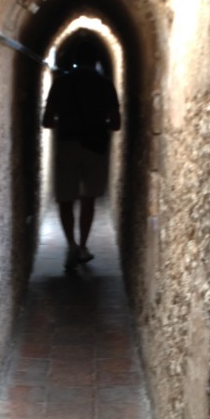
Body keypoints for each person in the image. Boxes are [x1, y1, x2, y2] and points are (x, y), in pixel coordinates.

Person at [42, 33, 121, 270]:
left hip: (67, 145)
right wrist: (98, 125)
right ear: (96, 60)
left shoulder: (61, 83)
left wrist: (64, 121)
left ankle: (72, 245)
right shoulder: (105, 85)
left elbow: (47, 121)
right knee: (89, 199)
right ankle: (84, 246)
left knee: (66, 199)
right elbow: (116, 123)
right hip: (95, 147)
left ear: (75, 59)